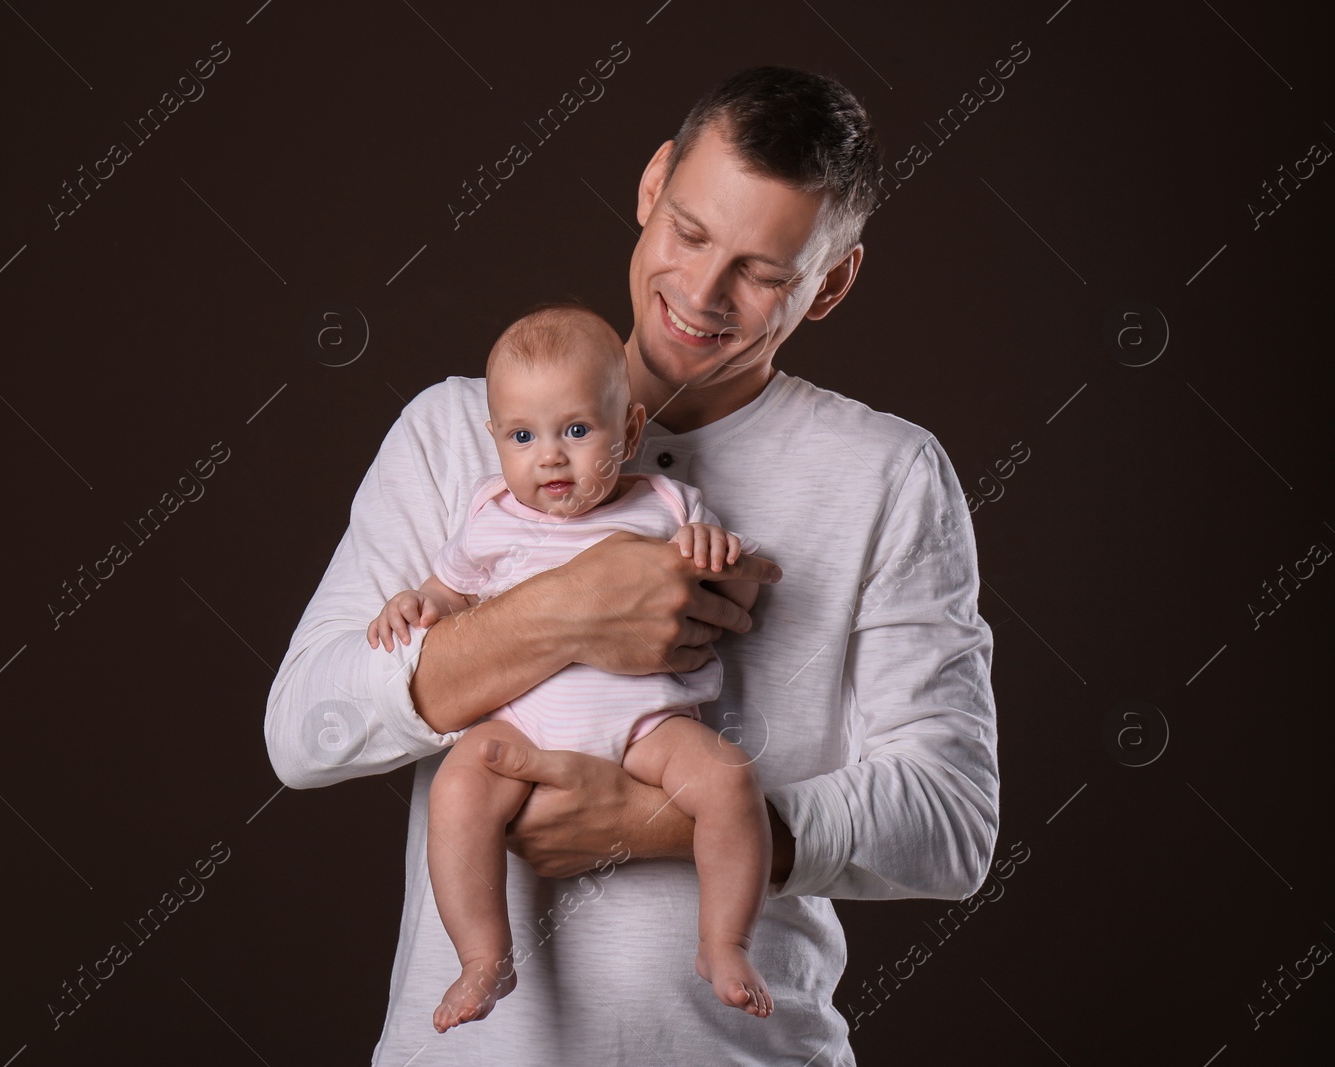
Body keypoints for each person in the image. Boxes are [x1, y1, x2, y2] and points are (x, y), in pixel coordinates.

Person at [265, 66, 999, 1066]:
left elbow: (951, 821)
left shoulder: (888, 475)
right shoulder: (452, 434)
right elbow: (301, 732)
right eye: (691, 233)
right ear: (652, 186)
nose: (700, 295)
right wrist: (563, 611)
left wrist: (655, 822)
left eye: (761, 271)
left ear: (829, 284)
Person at [366, 304, 773, 1032]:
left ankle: (724, 942)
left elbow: (736, 595)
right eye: (523, 436)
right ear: (496, 441)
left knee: (729, 781)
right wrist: (411, 603)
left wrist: (719, 553)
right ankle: (484, 953)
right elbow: (448, 591)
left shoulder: (667, 503)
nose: (549, 456)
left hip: (648, 723)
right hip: (525, 725)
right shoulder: (492, 516)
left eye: (576, 430)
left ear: (631, 430)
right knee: (459, 790)